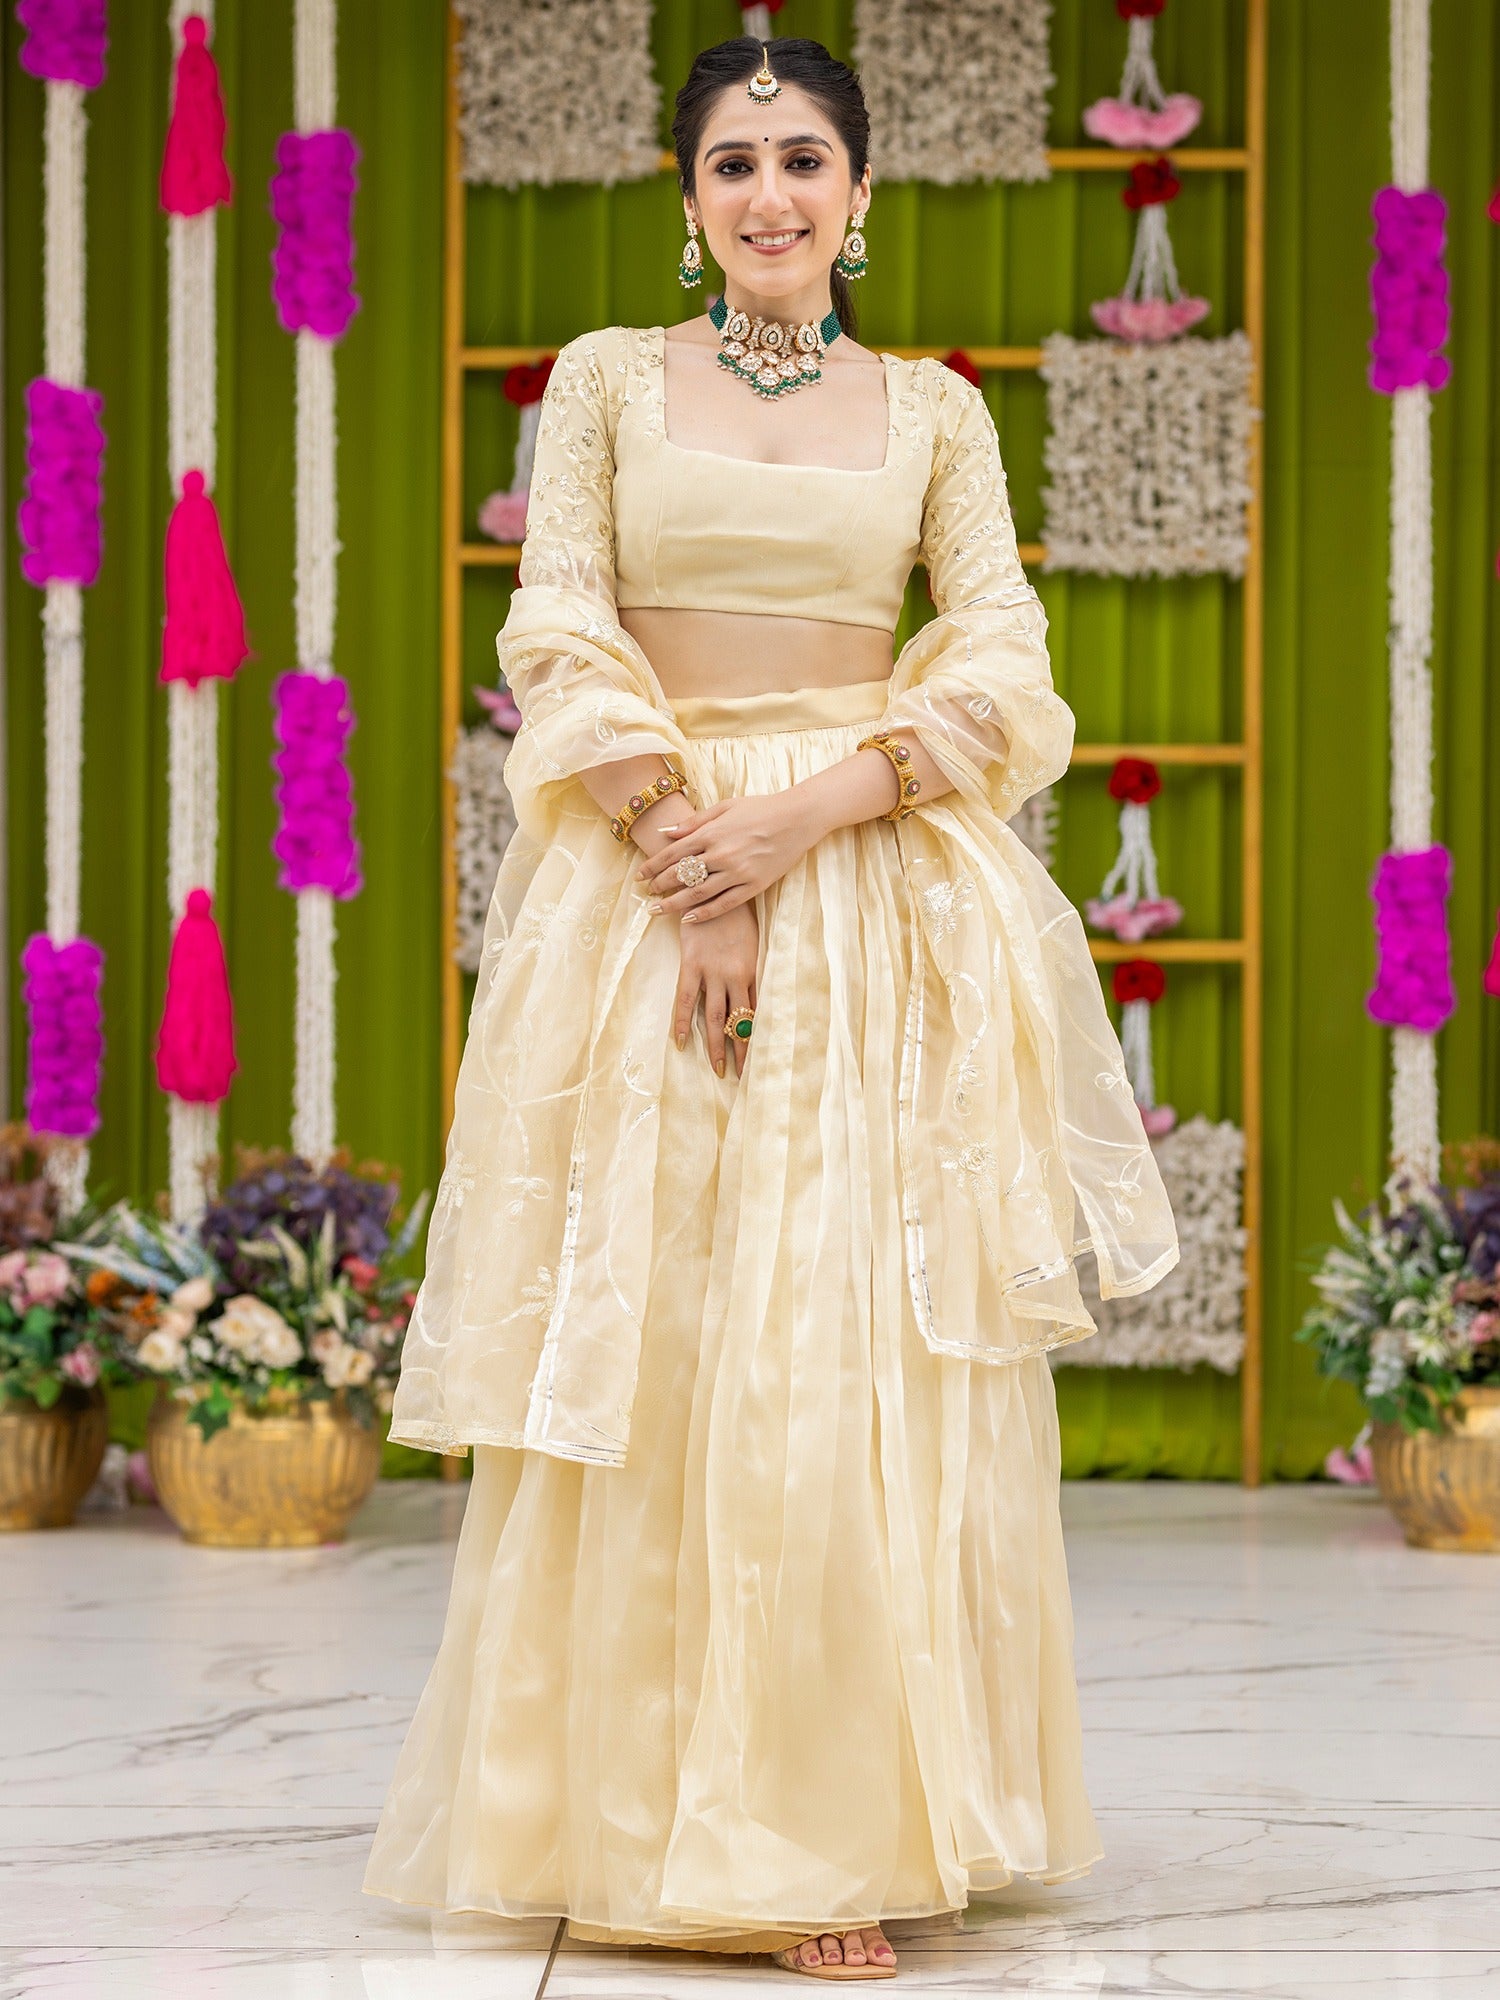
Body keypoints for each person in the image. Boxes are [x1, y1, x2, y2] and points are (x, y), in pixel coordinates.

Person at [364, 34, 1177, 1982]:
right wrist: (691, 855)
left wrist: (809, 814)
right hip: (649, 881)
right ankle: (623, 1818)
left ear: (862, 193)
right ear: (688, 199)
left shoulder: (937, 410)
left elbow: (1000, 651)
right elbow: (559, 622)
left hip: (869, 885)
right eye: (733, 164)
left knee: (845, 1344)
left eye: (805, 159)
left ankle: (844, 1823)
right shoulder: (604, 381)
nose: (771, 194)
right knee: (655, 1332)